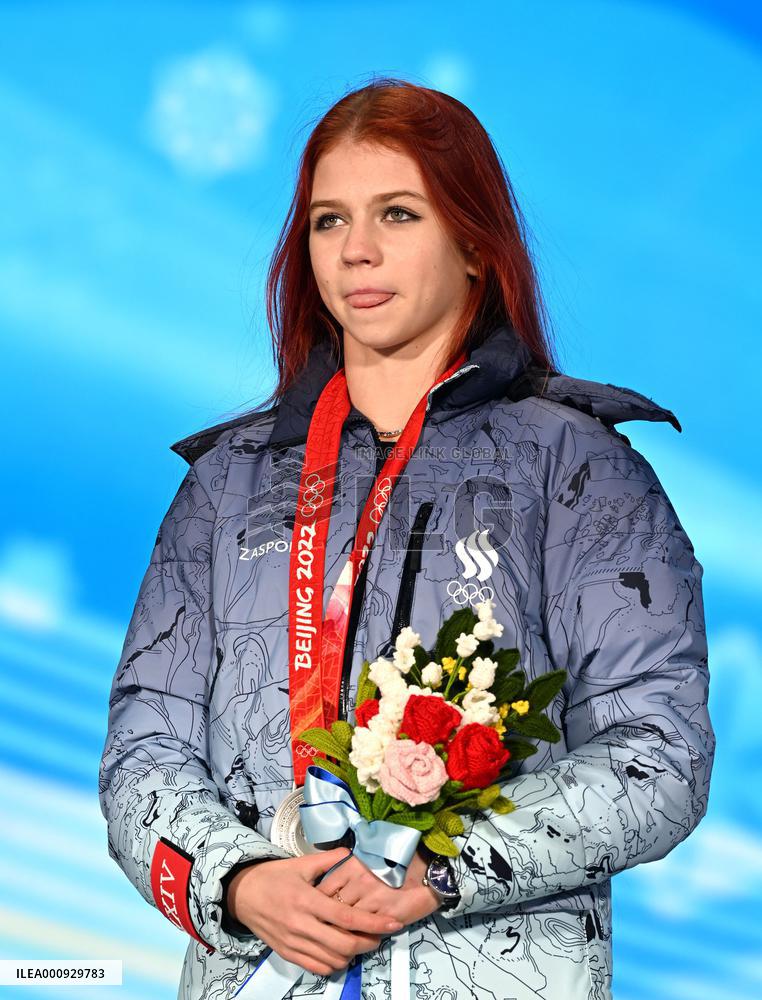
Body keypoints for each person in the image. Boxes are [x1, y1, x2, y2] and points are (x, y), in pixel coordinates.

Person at [98, 77, 715, 1000]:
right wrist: (240, 883)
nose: (357, 250)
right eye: (329, 221)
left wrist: (434, 869)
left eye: (397, 213)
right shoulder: (226, 485)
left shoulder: (579, 469)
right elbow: (142, 755)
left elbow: (660, 755)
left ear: (474, 243)